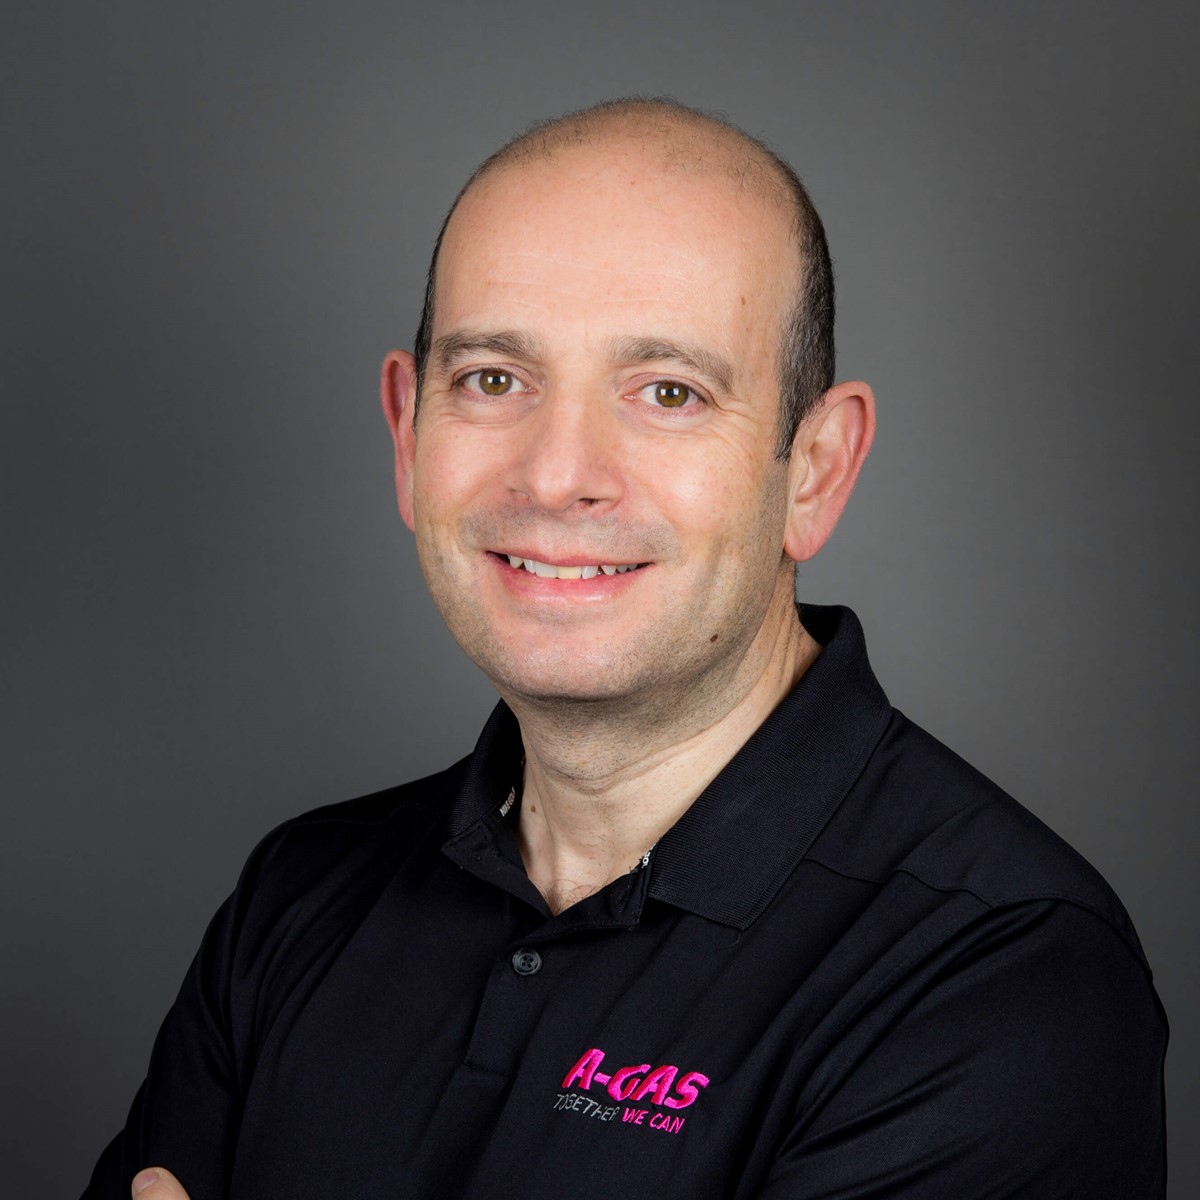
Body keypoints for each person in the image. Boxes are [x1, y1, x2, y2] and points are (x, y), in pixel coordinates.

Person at [85, 99, 1167, 1200]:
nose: (558, 475)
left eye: (667, 393)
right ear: (408, 437)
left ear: (816, 470)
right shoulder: (298, 897)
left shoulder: (998, 983)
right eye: (494, 379)